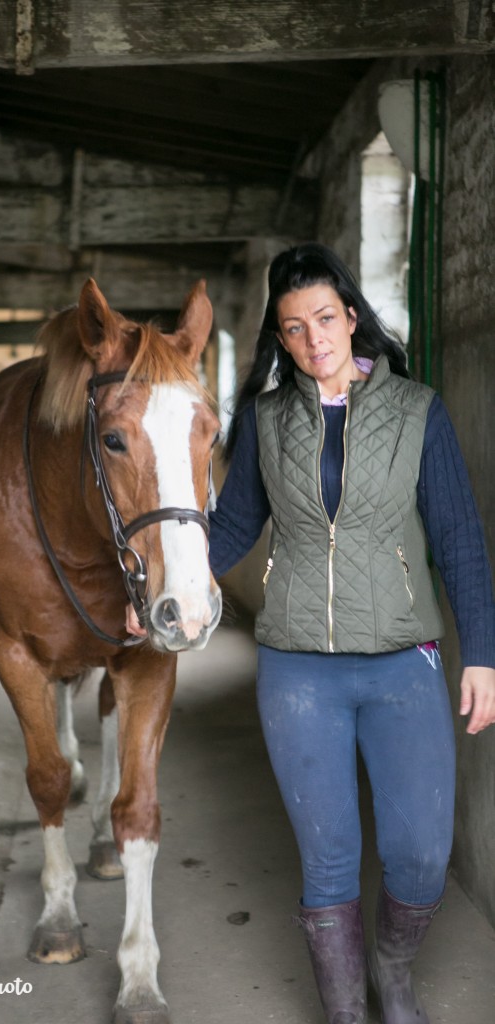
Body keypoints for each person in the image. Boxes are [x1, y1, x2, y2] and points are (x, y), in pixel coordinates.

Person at [126, 243, 495, 1024]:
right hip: (298, 670)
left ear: (351, 318)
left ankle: (392, 976)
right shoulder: (262, 421)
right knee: (327, 860)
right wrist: (158, 593)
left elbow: (458, 538)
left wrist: (483, 657)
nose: (312, 339)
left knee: (420, 854)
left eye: (324, 318)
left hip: (402, 662)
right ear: (281, 338)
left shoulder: (416, 412)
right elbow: (230, 528)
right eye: (292, 328)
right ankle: (347, 1011)